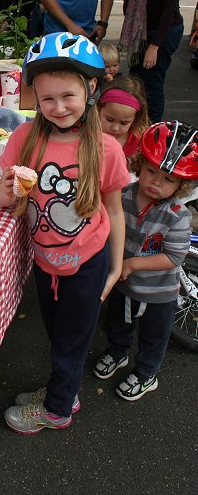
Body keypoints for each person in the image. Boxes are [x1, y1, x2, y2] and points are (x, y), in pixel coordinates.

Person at [0, 32, 129, 434]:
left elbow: (115, 211)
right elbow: (8, 196)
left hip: (88, 265)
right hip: (46, 262)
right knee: (58, 336)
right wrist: (5, 191)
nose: (57, 107)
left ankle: (57, 409)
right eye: (46, 98)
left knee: (71, 344)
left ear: (90, 88)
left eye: (67, 96)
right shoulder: (24, 137)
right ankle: (64, 390)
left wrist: (115, 267)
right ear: (34, 96)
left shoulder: (106, 149)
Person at [93, 121, 197, 400]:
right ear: (139, 163)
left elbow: (174, 257)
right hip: (123, 285)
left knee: (153, 337)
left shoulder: (177, 215)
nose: (156, 182)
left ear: (182, 185)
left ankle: (146, 373)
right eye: (151, 171)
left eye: (169, 179)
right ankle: (117, 353)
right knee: (117, 324)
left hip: (158, 294)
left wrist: (132, 264)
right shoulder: (122, 195)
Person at [98, 76, 150, 160]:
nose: (115, 128)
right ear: (98, 110)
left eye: (123, 123)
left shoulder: (140, 143)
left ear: (135, 119)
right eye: (109, 119)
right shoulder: (86, 135)